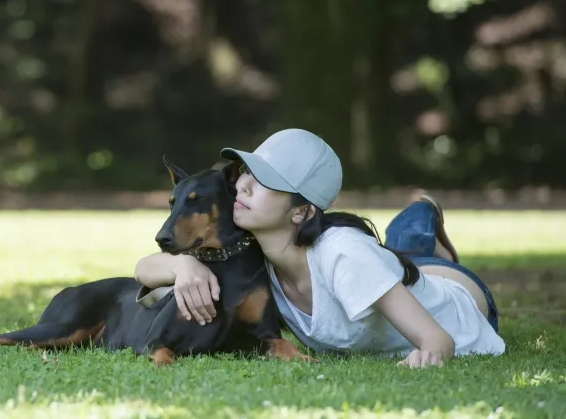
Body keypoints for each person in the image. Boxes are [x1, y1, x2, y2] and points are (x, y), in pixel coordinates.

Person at [134, 128, 505, 368]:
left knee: (406, 247)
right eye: (246, 173)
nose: (243, 186)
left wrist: (427, 358)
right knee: (398, 258)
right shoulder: (251, 248)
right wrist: (182, 266)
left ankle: (422, 215)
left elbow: (438, 339)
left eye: (263, 181)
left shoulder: (345, 255)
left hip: (461, 301)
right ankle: (412, 241)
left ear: (301, 211)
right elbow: (143, 268)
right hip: (391, 273)